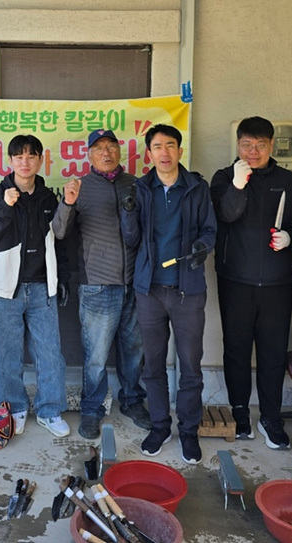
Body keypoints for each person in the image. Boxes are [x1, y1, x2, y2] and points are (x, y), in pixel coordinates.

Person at [210, 116, 292, 448]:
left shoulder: (290, 181)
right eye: (246, 144)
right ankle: (240, 411)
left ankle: (271, 416)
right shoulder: (224, 178)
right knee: (236, 349)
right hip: (234, 279)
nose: (253, 151)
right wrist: (238, 186)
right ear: (237, 144)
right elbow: (224, 215)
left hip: (276, 282)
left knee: (272, 353)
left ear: (271, 145)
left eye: (260, 145)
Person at [120, 123, 216, 465]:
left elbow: (210, 228)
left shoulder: (197, 187)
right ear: (149, 154)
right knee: (153, 364)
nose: (164, 152)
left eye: (170, 145)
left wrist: (203, 245)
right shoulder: (140, 189)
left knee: (190, 364)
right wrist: (129, 211)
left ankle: (189, 431)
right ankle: (160, 425)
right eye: (157, 146)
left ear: (179, 151)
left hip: (187, 289)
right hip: (150, 290)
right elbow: (130, 239)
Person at [51, 128, 151, 440]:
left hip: (135, 283)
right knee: (95, 354)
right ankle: (92, 409)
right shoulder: (80, 187)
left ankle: (132, 401)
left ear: (120, 151)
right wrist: (67, 203)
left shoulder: (135, 184)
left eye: (111, 147)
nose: (105, 153)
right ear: (89, 155)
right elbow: (58, 231)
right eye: (98, 148)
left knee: (134, 349)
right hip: (97, 285)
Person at [0, 134, 69, 438]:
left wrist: (61, 279)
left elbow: (60, 239)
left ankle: (50, 410)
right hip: (3, 289)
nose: (25, 162)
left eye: (31, 156)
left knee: (50, 352)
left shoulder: (48, 197)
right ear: (10, 161)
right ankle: (13, 408)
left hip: (42, 286)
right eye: (19, 157)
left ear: (41, 160)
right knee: (7, 353)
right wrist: (4, 206)